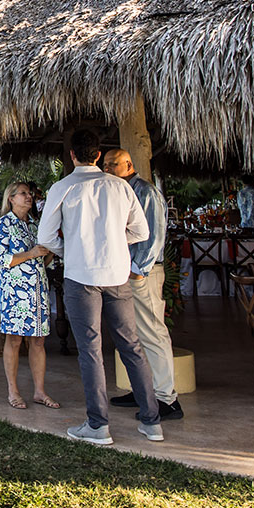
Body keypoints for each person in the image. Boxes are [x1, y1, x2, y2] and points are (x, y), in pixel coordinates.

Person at [38, 128, 161, 445]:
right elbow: (140, 231)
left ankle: (98, 425)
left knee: (90, 351)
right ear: (97, 155)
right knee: (131, 347)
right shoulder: (120, 187)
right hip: (117, 276)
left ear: (72, 156)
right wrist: (116, 244)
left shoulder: (62, 188)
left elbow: (46, 238)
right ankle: (151, 421)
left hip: (81, 278)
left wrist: (72, 250)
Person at [102, 149, 183, 422]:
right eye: (105, 166)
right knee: (133, 335)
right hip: (126, 272)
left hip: (143, 273)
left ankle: (166, 398)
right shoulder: (120, 190)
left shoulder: (144, 191)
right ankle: (144, 391)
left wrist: (139, 270)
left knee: (153, 333)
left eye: (113, 165)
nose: (108, 170)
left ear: (128, 164)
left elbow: (154, 232)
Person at [0, 180, 57, 410]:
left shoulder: (34, 225)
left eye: (30, 194)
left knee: (38, 341)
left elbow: (41, 260)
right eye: (23, 194)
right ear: (11, 198)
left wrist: (48, 254)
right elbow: (1, 260)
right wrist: (30, 253)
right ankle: (13, 390)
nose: (29, 197)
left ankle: (39, 391)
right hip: (16, 293)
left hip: (38, 290)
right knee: (14, 339)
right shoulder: (3, 225)